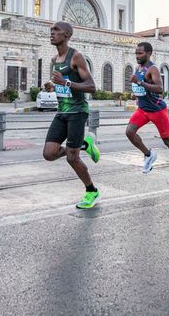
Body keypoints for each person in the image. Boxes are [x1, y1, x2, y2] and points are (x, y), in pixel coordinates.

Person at [43, 21, 102, 209]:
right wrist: (53, 86)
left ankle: (91, 191)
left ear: (67, 35)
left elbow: (92, 87)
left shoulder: (76, 57)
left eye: (56, 31)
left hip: (77, 112)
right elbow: (63, 82)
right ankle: (85, 144)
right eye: (51, 30)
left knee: (72, 157)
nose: (52, 33)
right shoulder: (54, 60)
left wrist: (65, 84)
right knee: (49, 154)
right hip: (61, 112)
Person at [126, 42, 169, 180]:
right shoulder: (138, 67)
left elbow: (159, 88)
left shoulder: (153, 69)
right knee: (129, 132)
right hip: (143, 110)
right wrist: (137, 94)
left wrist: (139, 83)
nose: (137, 56)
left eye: (140, 53)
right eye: (136, 53)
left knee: (167, 140)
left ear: (149, 53)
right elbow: (143, 88)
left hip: (157, 111)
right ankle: (149, 154)